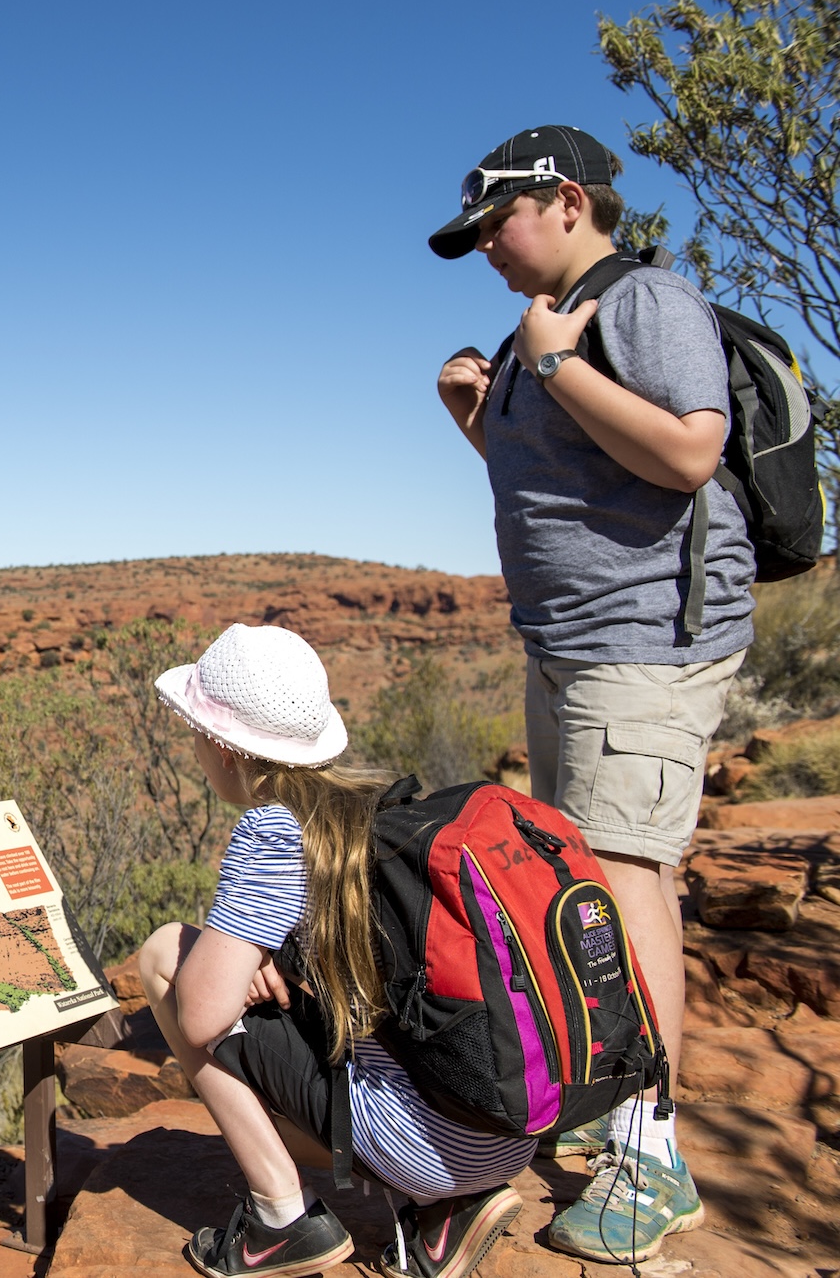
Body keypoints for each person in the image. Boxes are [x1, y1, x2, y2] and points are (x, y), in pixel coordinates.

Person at [428, 125, 749, 1263]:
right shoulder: (541, 332)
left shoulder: (642, 302)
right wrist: (478, 410)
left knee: (624, 875)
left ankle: (648, 1152)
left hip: (641, 649)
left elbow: (688, 454)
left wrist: (554, 362)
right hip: (567, 646)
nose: (484, 251)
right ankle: (609, 1097)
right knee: (580, 877)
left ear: (566, 201)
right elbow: (563, 488)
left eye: (492, 227)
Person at [138, 623, 532, 1278]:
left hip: (425, 1146)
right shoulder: (374, 804)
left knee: (161, 954)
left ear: (223, 747)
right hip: (500, 1130)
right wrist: (268, 955)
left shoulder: (272, 827)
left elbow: (204, 1015)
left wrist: (230, 961)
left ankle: (280, 1215)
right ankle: (444, 1211)